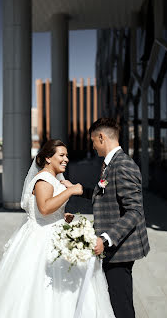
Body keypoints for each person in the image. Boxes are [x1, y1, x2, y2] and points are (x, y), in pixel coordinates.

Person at [0, 139, 115, 318]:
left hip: (54, 232)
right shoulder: (44, 180)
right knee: (43, 288)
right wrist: (70, 191)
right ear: (48, 158)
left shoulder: (53, 179)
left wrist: (62, 216)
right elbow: (45, 208)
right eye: (61, 155)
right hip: (41, 240)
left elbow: (47, 211)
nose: (66, 159)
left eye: (67, 155)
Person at [63, 118, 150, 318]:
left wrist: (106, 239)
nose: (92, 146)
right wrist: (80, 190)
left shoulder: (123, 165)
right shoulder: (110, 164)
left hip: (121, 250)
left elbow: (135, 211)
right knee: (116, 301)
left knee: (121, 305)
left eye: (93, 141)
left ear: (101, 137)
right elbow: (108, 195)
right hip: (114, 248)